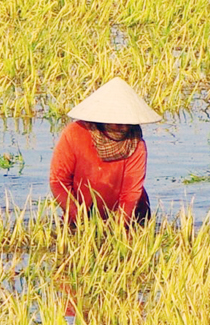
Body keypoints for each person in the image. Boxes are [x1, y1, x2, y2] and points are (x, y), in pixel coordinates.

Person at [49, 78, 160, 225]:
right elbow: (58, 182)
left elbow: (131, 194)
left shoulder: (136, 144)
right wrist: (78, 218)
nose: (123, 126)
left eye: (127, 121)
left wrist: (118, 227)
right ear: (102, 118)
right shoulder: (75, 133)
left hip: (131, 216)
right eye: (117, 121)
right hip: (80, 214)